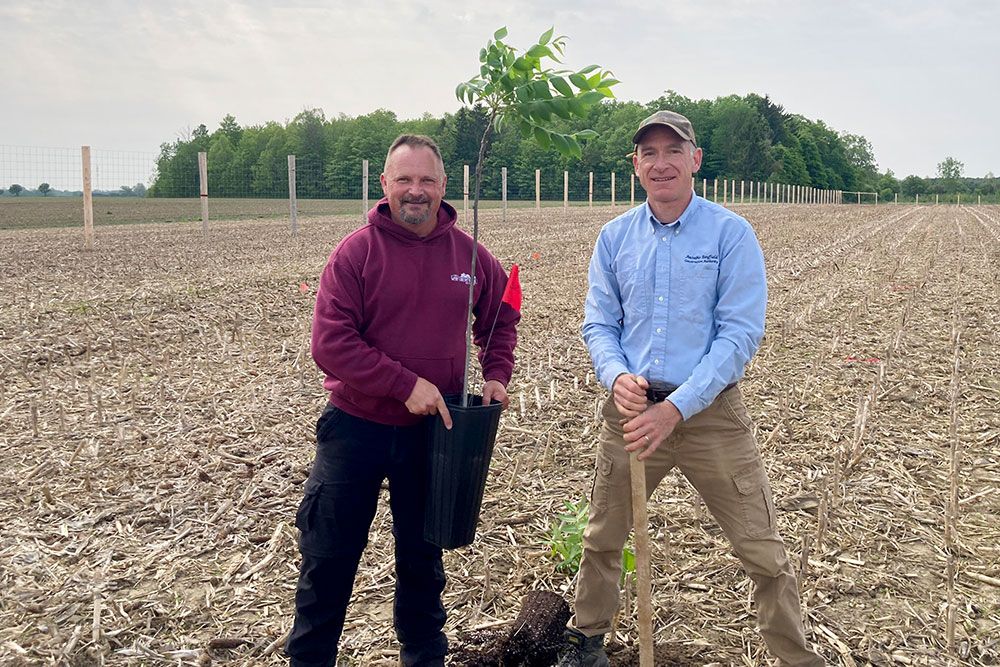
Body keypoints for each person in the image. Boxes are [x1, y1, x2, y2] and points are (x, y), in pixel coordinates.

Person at [556, 111, 824, 666]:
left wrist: (676, 407)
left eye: (673, 151)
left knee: (762, 550)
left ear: (695, 160)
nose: (661, 164)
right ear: (635, 165)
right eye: (648, 154)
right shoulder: (614, 238)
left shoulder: (730, 234)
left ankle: (797, 659)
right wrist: (616, 377)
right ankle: (586, 643)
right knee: (603, 537)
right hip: (629, 414)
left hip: (711, 417)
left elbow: (739, 334)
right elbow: (599, 324)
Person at [285, 134, 519, 667]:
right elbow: (331, 344)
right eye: (405, 180)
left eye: (427, 180)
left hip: (434, 435)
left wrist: (496, 373)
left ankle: (422, 656)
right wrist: (403, 384)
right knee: (328, 559)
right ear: (385, 184)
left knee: (422, 560)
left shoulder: (469, 255)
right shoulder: (357, 253)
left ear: (443, 186)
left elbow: (502, 315)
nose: (416, 191)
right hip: (355, 428)